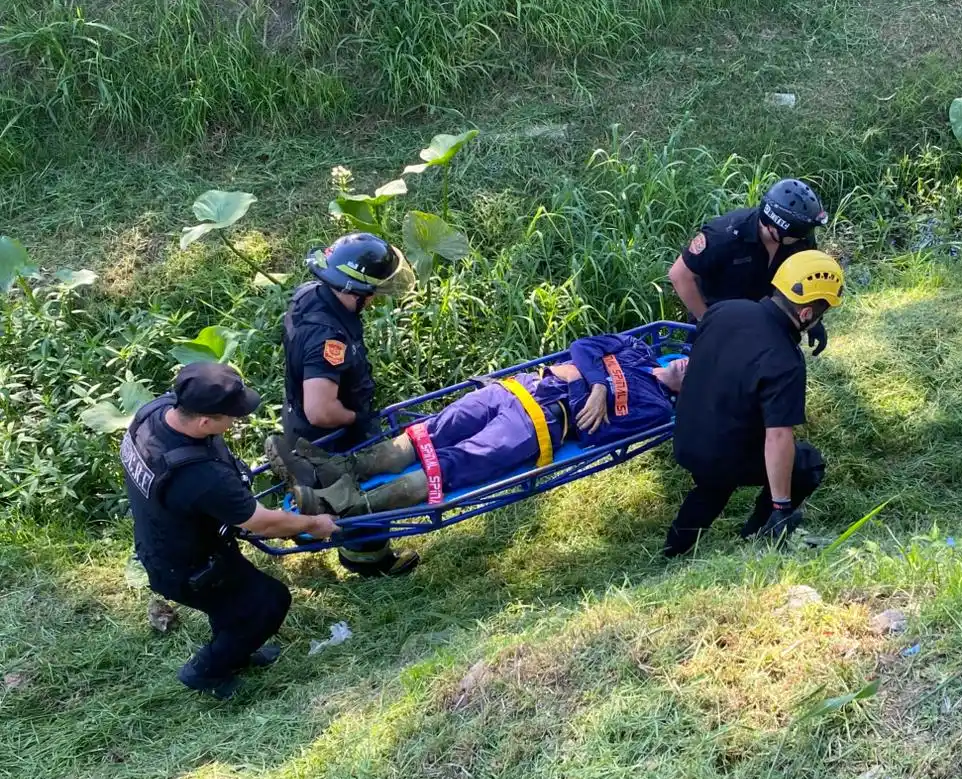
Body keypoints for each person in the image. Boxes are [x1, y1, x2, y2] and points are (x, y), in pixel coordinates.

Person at [271, 333, 689, 517]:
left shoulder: (654, 408)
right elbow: (582, 347)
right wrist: (596, 384)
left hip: (540, 423)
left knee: (454, 463)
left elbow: (598, 432)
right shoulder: (637, 350)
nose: (690, 362)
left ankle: (345, 506)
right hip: (517, 388)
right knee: (430, 431)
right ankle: (335, 470)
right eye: (696, 356)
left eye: (700, 369)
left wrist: (586, 381)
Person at [120, 363, 340, 700]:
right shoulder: (199, 476)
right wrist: (315, 524)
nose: (237, 422)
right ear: (204, 422)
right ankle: (206, 671)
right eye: (232, 417)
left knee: (232, 603)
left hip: (167, 541)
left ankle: (238, 650)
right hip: (188, 567)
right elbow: (263, 523)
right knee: (268, 603)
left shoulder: (154, 414)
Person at [662, 249, 844, 557]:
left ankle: (673, 550)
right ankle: (762, 530)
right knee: (808, 463)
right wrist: (781, 506)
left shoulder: (724, 310)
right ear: (806, 314)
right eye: (820, 314)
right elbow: (778, 436)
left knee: (713, 485)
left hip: (687, 437)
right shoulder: (785, 362)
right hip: (721, 453)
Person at [267, 232, 419, 577]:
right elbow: (321, 409)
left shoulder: (310, 294)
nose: (374, 298)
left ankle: (310, 500)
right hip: (330, 432)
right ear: (354, 290)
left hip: (297, 417)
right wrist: (356, 418)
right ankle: (370, 561)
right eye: (372, 292)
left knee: (332, 488)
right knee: (361, 493)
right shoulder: (328, 338)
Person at [667, 178, 831, 356]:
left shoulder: (800, 239)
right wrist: (707, 321)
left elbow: (806, 279)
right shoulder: (725, 235)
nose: (804, 237)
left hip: (762, 322)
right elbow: (679, 275)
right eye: (799, 233)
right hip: (717, 318)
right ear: (775, 227)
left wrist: (814, 321)